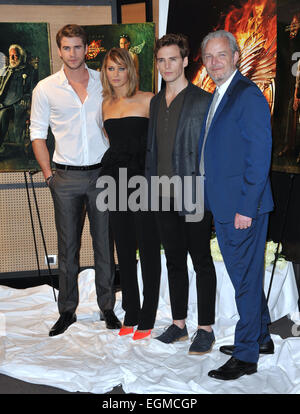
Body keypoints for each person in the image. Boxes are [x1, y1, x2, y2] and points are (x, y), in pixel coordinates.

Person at [30, 24, 121, 337]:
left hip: (102, 175)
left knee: (104, 245)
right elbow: (37, 135)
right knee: (67, 248)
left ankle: (107, 308)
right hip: (64, 177)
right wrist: (48, 176)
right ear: (59, 50)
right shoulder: (45, 88)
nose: (72, 53)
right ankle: (67, 311)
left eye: (78, 47)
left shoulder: (103, 81)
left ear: (87, 49)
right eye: (66, 48)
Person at [199, 30, 274, 380]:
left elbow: (259, 158)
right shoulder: (220, 93)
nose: (214, 63)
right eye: (209, 57)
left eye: (221, 55)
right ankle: (260, 336)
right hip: (227, 204)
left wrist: (246, 207)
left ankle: (246, 356)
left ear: (235, 56)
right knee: (246, 275)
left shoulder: (247, 95)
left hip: (244, 207)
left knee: (244, 279)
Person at [145, 33, 217, 354]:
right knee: (174, 259)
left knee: (200, 259)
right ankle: (179, 324)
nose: (166, 66)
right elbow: (152, 150)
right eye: (161, 60)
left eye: (173, 59)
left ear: (186, 61)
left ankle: (206, 328)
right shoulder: (156, 101)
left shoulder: (204, 101)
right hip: (161, 194)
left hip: (193, 193)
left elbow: (213, 153)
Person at [99, 47, 161, 340]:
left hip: (143, 180)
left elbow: (159, 143)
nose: (116, 75)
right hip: (115, 180)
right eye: (110, 69)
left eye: (121, 68)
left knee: (147, 247)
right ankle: (131, 311)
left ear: (131, 70)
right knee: (123, 248)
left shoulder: (149, 99)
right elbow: (111, 142)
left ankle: (148, 314)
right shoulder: (105, 104)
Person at [0, 44, 37, 150]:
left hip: (18, 104)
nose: (12, 58)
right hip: (4, 102)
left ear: (21, 57)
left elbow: (34, 89)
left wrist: (27, 97)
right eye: (10, 56)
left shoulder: (30, 71)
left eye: (15, 56)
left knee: (4, 114)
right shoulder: (7, 71)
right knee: (2, 112)